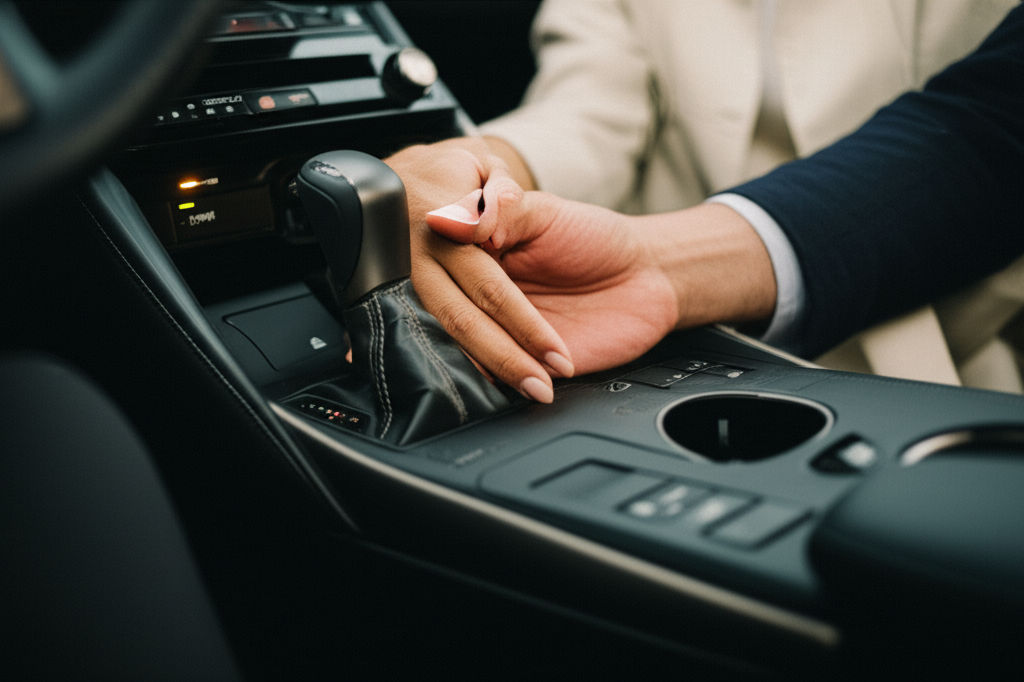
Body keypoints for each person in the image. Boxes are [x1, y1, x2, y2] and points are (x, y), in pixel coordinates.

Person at [385, 0, 1022, 402]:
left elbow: (991, 126)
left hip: (940, 354)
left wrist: (663, 263)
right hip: (666, 354)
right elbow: (592, 108)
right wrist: (474, 168)